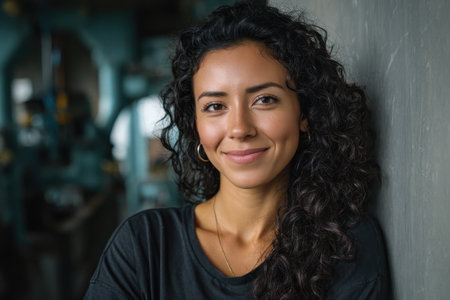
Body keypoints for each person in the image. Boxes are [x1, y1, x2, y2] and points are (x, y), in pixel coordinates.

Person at [84, 2, 390, 299]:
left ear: (304, 114)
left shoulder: (345, 244)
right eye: (215, 106)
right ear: (196, 127)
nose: (240, 128)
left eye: (265, 100)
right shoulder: (144, 246)